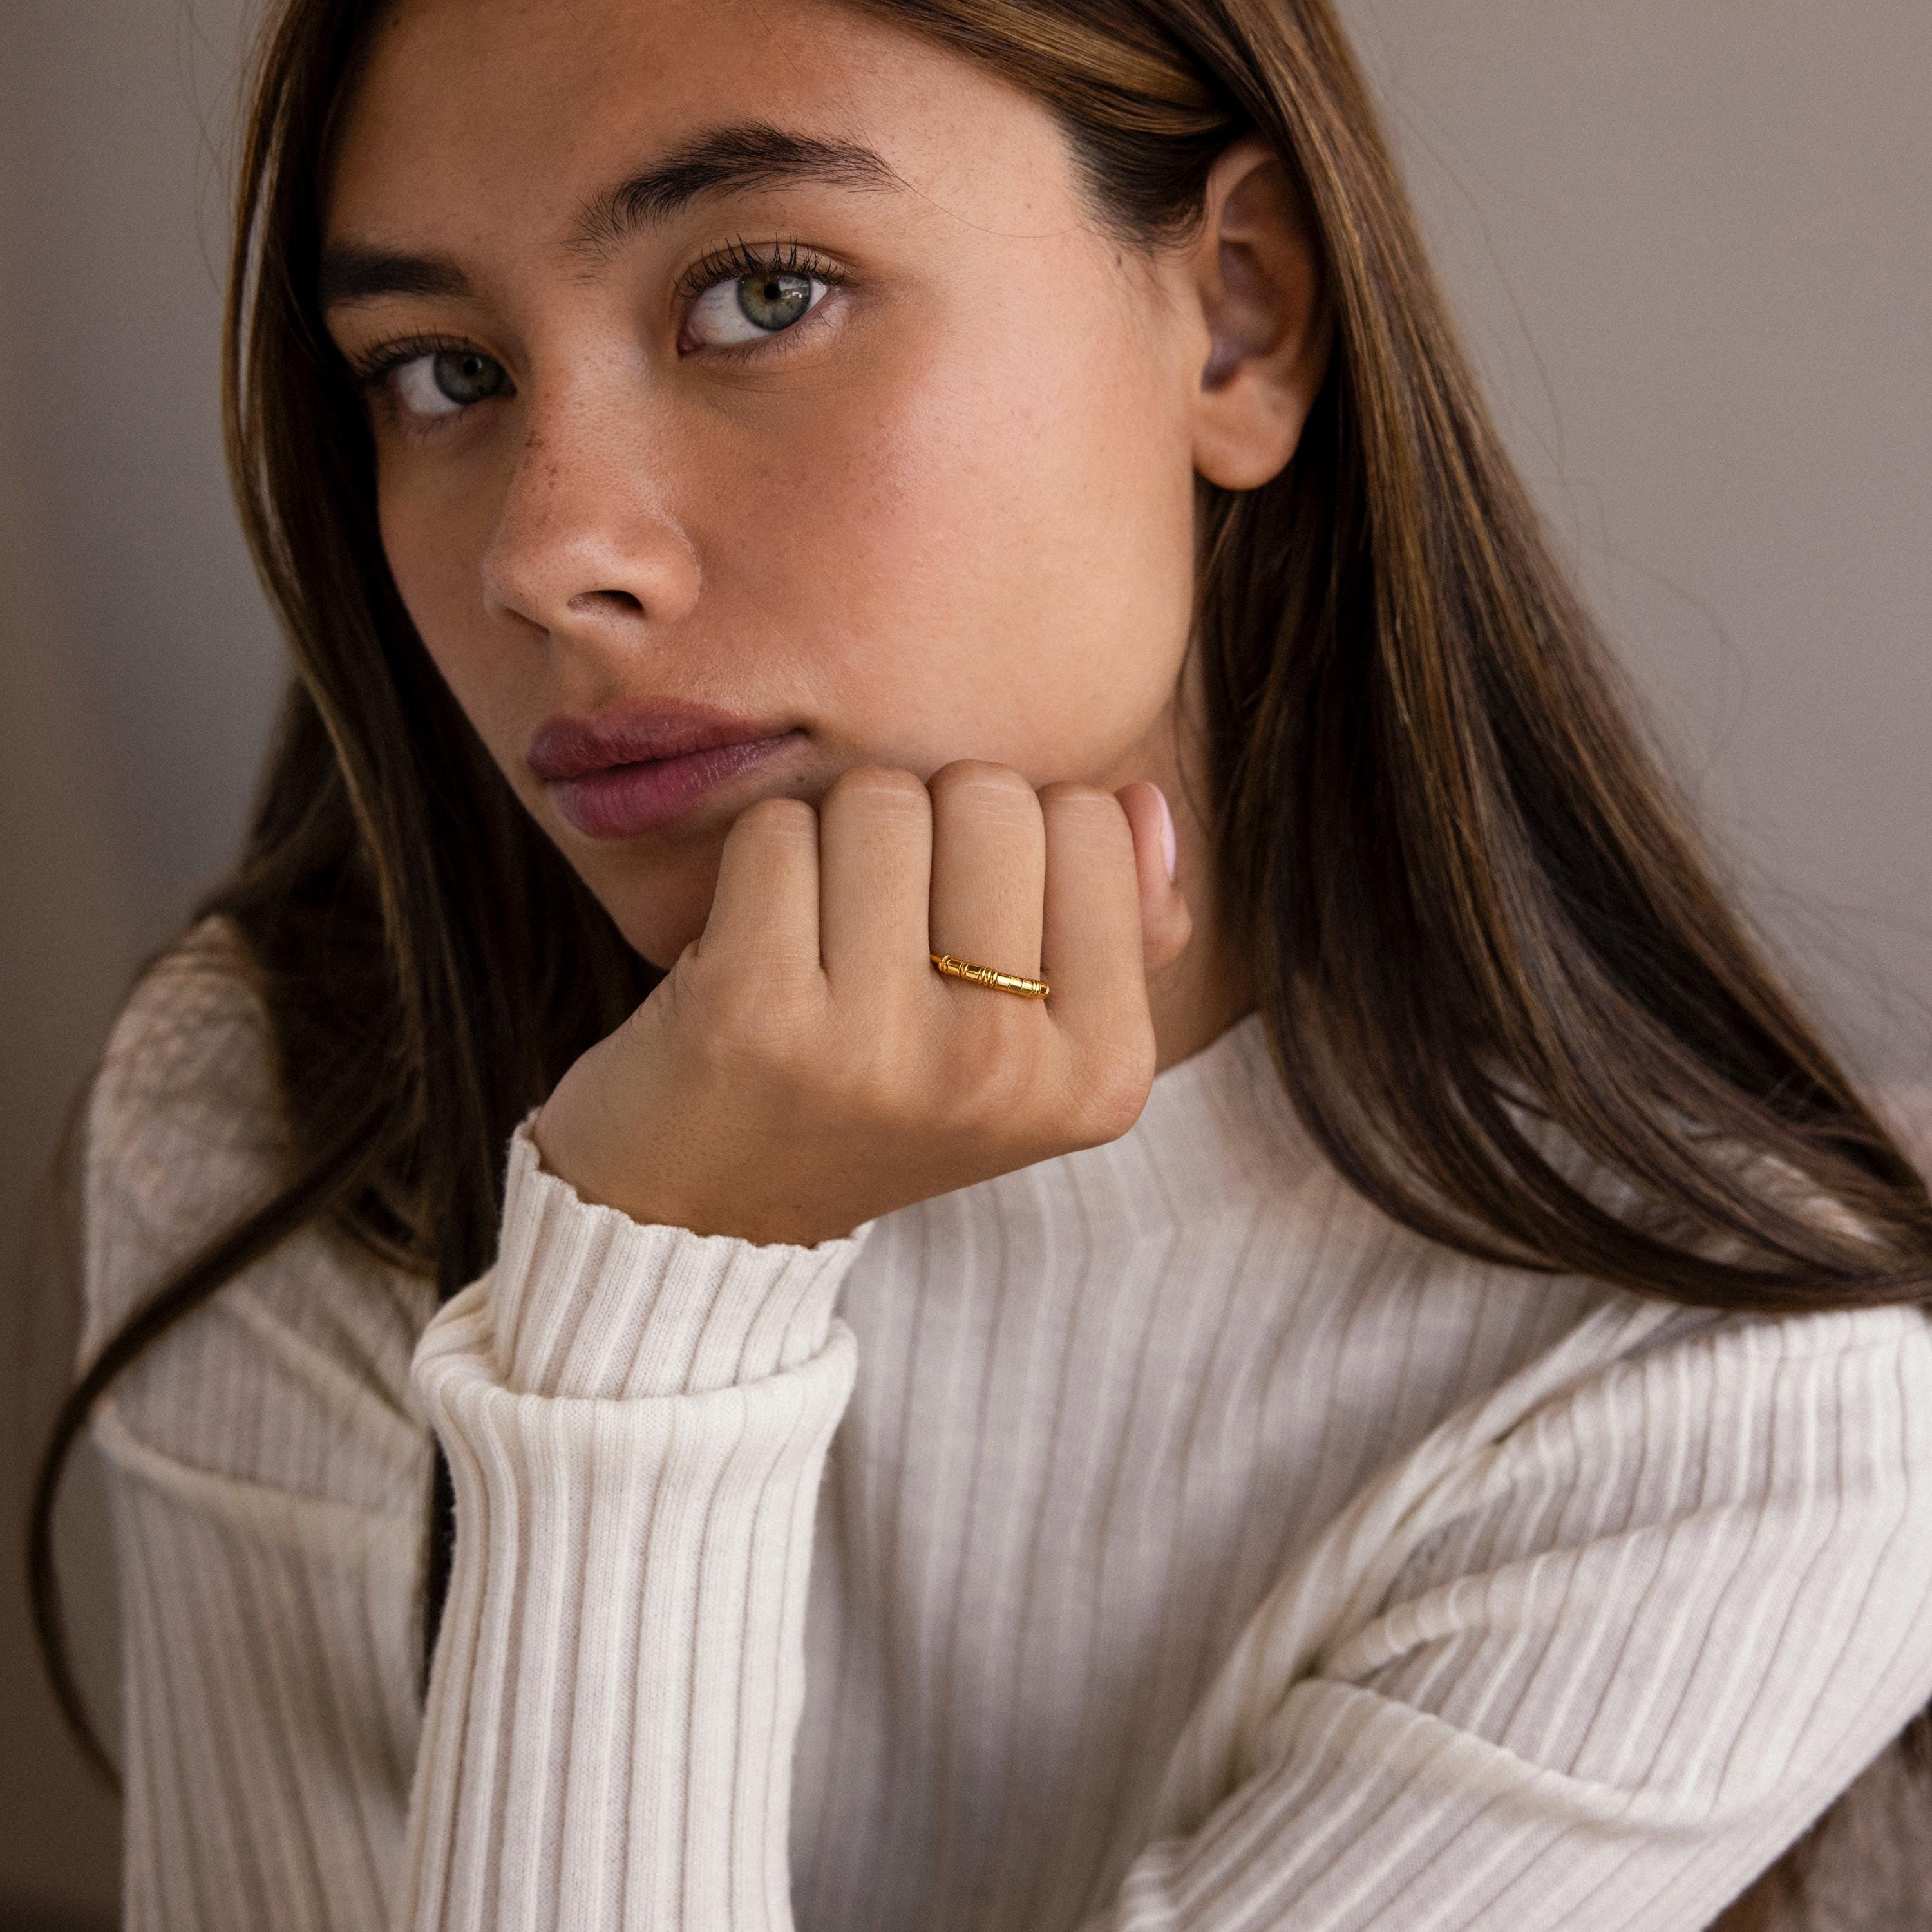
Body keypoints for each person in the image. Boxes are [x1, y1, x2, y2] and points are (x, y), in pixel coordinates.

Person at [28, 0, 1932, 1926]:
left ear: (1239, 317)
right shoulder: (296, 1113)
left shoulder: (1745, 1424)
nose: (548, 552)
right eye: (441, 371)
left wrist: (667, 1303)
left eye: (763, 293)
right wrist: (660, 1264)